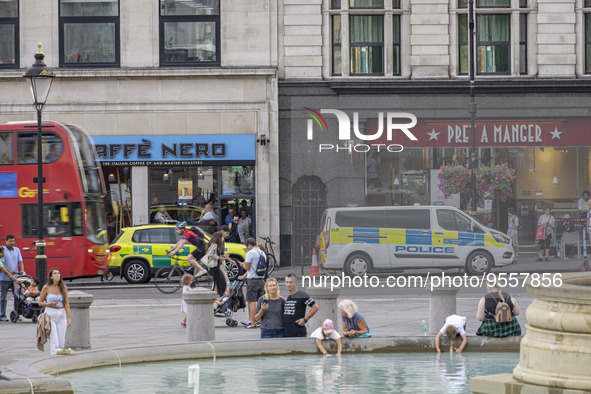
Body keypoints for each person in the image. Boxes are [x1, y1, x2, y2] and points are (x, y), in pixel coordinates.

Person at [38, 268, 74, 355]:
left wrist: (68, 317)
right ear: (51, 277)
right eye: (55, 273)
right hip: (50, 314)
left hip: (61, 314)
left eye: (58, 273)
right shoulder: (46, 287)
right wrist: (48, 304)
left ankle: (60, 361)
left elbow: (66, 303)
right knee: (54, 342)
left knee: (61, 342)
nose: (57, 275)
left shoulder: (63, 287)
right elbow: (40, 302)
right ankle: (53, 358)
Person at [238, 238, 267, 329]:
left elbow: (247, 267)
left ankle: (252, 321)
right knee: (259, 301)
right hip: (261, 280)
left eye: (247, 247)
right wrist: (244, 276)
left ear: (249, 245)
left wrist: (242, 264)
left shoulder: (250, 253)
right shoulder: (262, 253)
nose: (247, 248)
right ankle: (259, 320)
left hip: (252, 280)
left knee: (252, 301)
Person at [283, 273, 319, 337]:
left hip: (298, 333)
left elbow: (315, 307)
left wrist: (305, 319)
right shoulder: (289, 297)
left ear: (296, 283)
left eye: (291, 282)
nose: (288, 284)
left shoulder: (302, 295)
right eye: (287, 282)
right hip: (287, 333)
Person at [0, 235, 24, 322]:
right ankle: (2, 314)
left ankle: (17, 313)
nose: (12, 243)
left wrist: (21, 270)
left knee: (17, 296)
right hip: (4, 279)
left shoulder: (17, 250)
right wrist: (10, 272)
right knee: (3, 297)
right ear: (6, 241)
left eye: (13, 241)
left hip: (15, 277)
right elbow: (3, 266)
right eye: (10, 241)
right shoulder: (2, 250)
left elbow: (20, 261)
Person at [203, 231, 232, 298]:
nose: (223, 239)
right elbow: (210, 254)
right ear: (219, 238)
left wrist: (223, 256)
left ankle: (215, 296)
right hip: (214, 266)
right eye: (222, 237)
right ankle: (217, 296)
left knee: (217, 281)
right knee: (219, 281)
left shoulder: (215, 244)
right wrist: (218, 258)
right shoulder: (215, 244)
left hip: (215, 266)